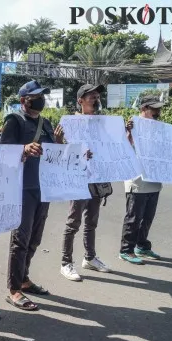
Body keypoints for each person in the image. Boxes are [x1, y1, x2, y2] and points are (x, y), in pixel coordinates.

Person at [1, 80, 64, 311]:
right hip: (22, 189)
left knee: (35, 238)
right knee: (21, 239)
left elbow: (54, 153)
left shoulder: (46, 123)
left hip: (42, 188)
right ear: (23, 101)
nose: (41, 99)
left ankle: (24, 279)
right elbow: (3, 154)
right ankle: (14, 289)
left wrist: (60, 145)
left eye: (42, 95)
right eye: (35, 96)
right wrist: (23, 149)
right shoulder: (14, 121)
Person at [119, 95, 172, 264]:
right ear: (143, 109)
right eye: (154, 108)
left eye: (159, 108)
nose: (158, 112)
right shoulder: (131, 126)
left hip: (155, 180)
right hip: (137, 180)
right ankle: (126, 250)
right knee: (134, 217)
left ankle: (142, 246)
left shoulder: (160, 129)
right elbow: (123, 149)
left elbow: (169, 151)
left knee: (147, 217)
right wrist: (128, 133)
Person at [59, 84, 112, 282]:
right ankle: (66, 263)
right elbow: (59, 153)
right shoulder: (69, 123)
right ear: (80, 100)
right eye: (92, 97)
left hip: (97, 178)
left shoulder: (102, 123)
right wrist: (79, 154)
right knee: (73, 222)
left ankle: (89, 257)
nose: (96, 99)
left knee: (92, 221)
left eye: (97, 96)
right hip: (78, 179)